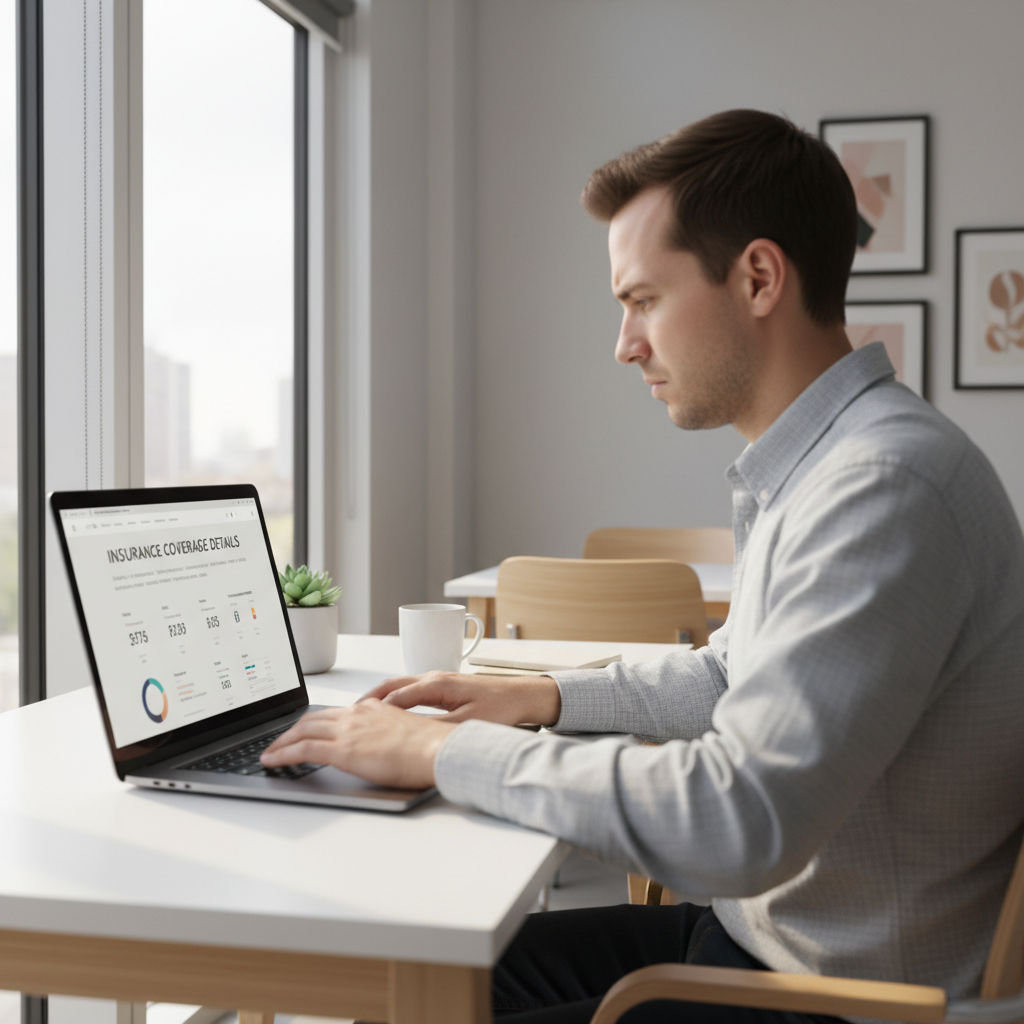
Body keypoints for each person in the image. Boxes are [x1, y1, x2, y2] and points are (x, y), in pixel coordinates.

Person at [262, 110, 1024, 1024]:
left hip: (833, 999)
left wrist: (443, 749)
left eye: (643, 300)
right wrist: (542, 698)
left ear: (757, 277)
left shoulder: (883, 485)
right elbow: (726, 674)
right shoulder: (829, 466)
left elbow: (740, 820)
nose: (625, 345)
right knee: (403, 980)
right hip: (756, 945)